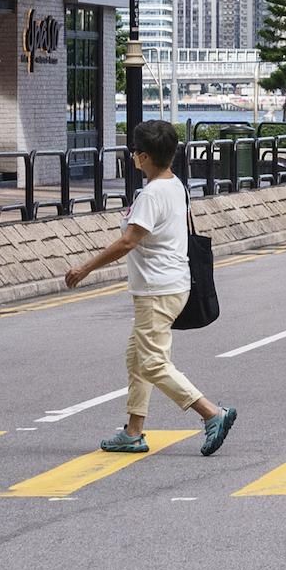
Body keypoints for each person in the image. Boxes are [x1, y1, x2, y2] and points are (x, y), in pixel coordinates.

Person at [61, 118, 237, 460]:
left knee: (153, 362)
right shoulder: (175, 185)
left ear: (143, 157)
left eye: (134, 152)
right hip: (168, 284)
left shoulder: (153, 194)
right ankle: (133, 430)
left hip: (158, 289)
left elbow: (128, 241)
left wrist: (83, 269)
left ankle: (211, 413)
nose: (132, 157)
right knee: (138, 358)